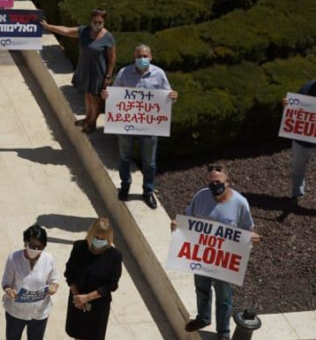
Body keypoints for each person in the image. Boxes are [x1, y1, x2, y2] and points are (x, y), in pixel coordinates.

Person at [176, 166, 260, 340]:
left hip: (223, 259)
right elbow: (188, 218)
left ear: (227, 181)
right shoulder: (201, 196)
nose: (215, 185)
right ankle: (203, 318)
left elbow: (248, 229)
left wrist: (252, 237)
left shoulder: (240, 203)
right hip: (201, 254)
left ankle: (223, 332)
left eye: (218, 182)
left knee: (223, 296)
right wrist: (177, 225)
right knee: (201, 288)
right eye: (211, 182)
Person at [101, 45, 178, 209]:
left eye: (144, 55)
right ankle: (125, 186)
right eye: (138, 56)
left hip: (149, 126)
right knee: (124, 158)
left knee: (149, 162)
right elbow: (114, 94)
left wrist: (173, 96)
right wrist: (107, 95)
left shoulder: (159, 74)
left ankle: (148, 191)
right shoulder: (124, 73)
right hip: (126, 125)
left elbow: (168, 96)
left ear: (150, 57)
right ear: (134, 57)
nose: (142, 58)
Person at [41, 9, 116, 133]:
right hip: (84, 69)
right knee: (87, 94)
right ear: (91, 20)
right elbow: (66, 30)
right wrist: (49, 27)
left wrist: (108, 76)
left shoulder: (108, 37)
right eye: (95, 21)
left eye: (100, 22)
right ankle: (87, 117)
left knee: (95, 97)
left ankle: (92, 123)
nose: (97, 24)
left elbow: (112, 58)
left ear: (104, 22)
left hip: (98, 72)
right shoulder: (84, 31)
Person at [64, 218, 122, 340]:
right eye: (97, 237)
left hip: (98, 305)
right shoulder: (79, 247)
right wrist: (78, 297)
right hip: (77, 301)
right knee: (77, 335)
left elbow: (111, 284)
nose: (99, 241)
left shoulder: (114, 256)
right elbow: (69, 274)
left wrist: (87, 297)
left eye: (103, 239)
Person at [1, 225, 60, 340]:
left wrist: (53, 288)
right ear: (25, 243)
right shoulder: (14, 258)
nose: (36, 250)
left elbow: (54, 280)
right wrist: (9, 291)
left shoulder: (49, 259)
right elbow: (6, 282)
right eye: (33, 246)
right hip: (16, 312)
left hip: (39, 312)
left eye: (40, 247)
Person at [283, 79, 316, 204]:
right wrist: (287, 104)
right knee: (298, 167)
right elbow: (293, 106)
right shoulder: (306, 88)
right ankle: (297, 192)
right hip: (302, 139)